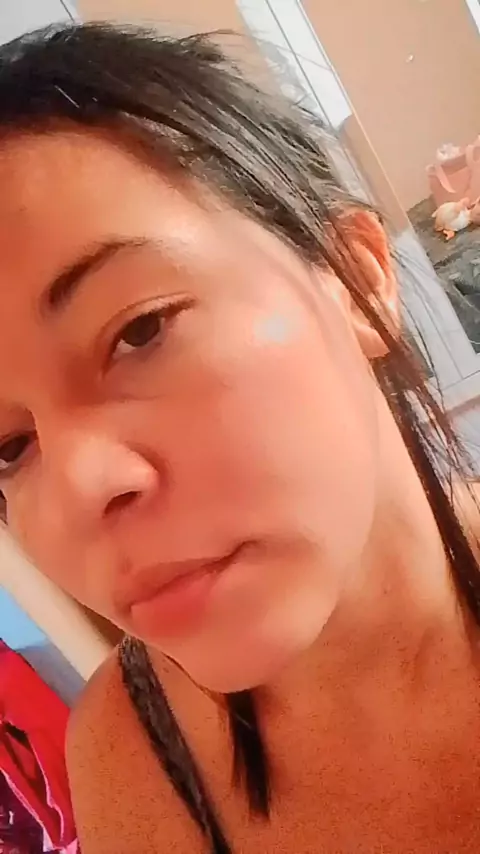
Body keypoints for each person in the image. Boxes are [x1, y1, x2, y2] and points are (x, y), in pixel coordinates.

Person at [0, 20, 479, 854]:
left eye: (141, 330)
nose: (78, 489)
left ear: (359, 277)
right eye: (8, 448)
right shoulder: (130, 760)